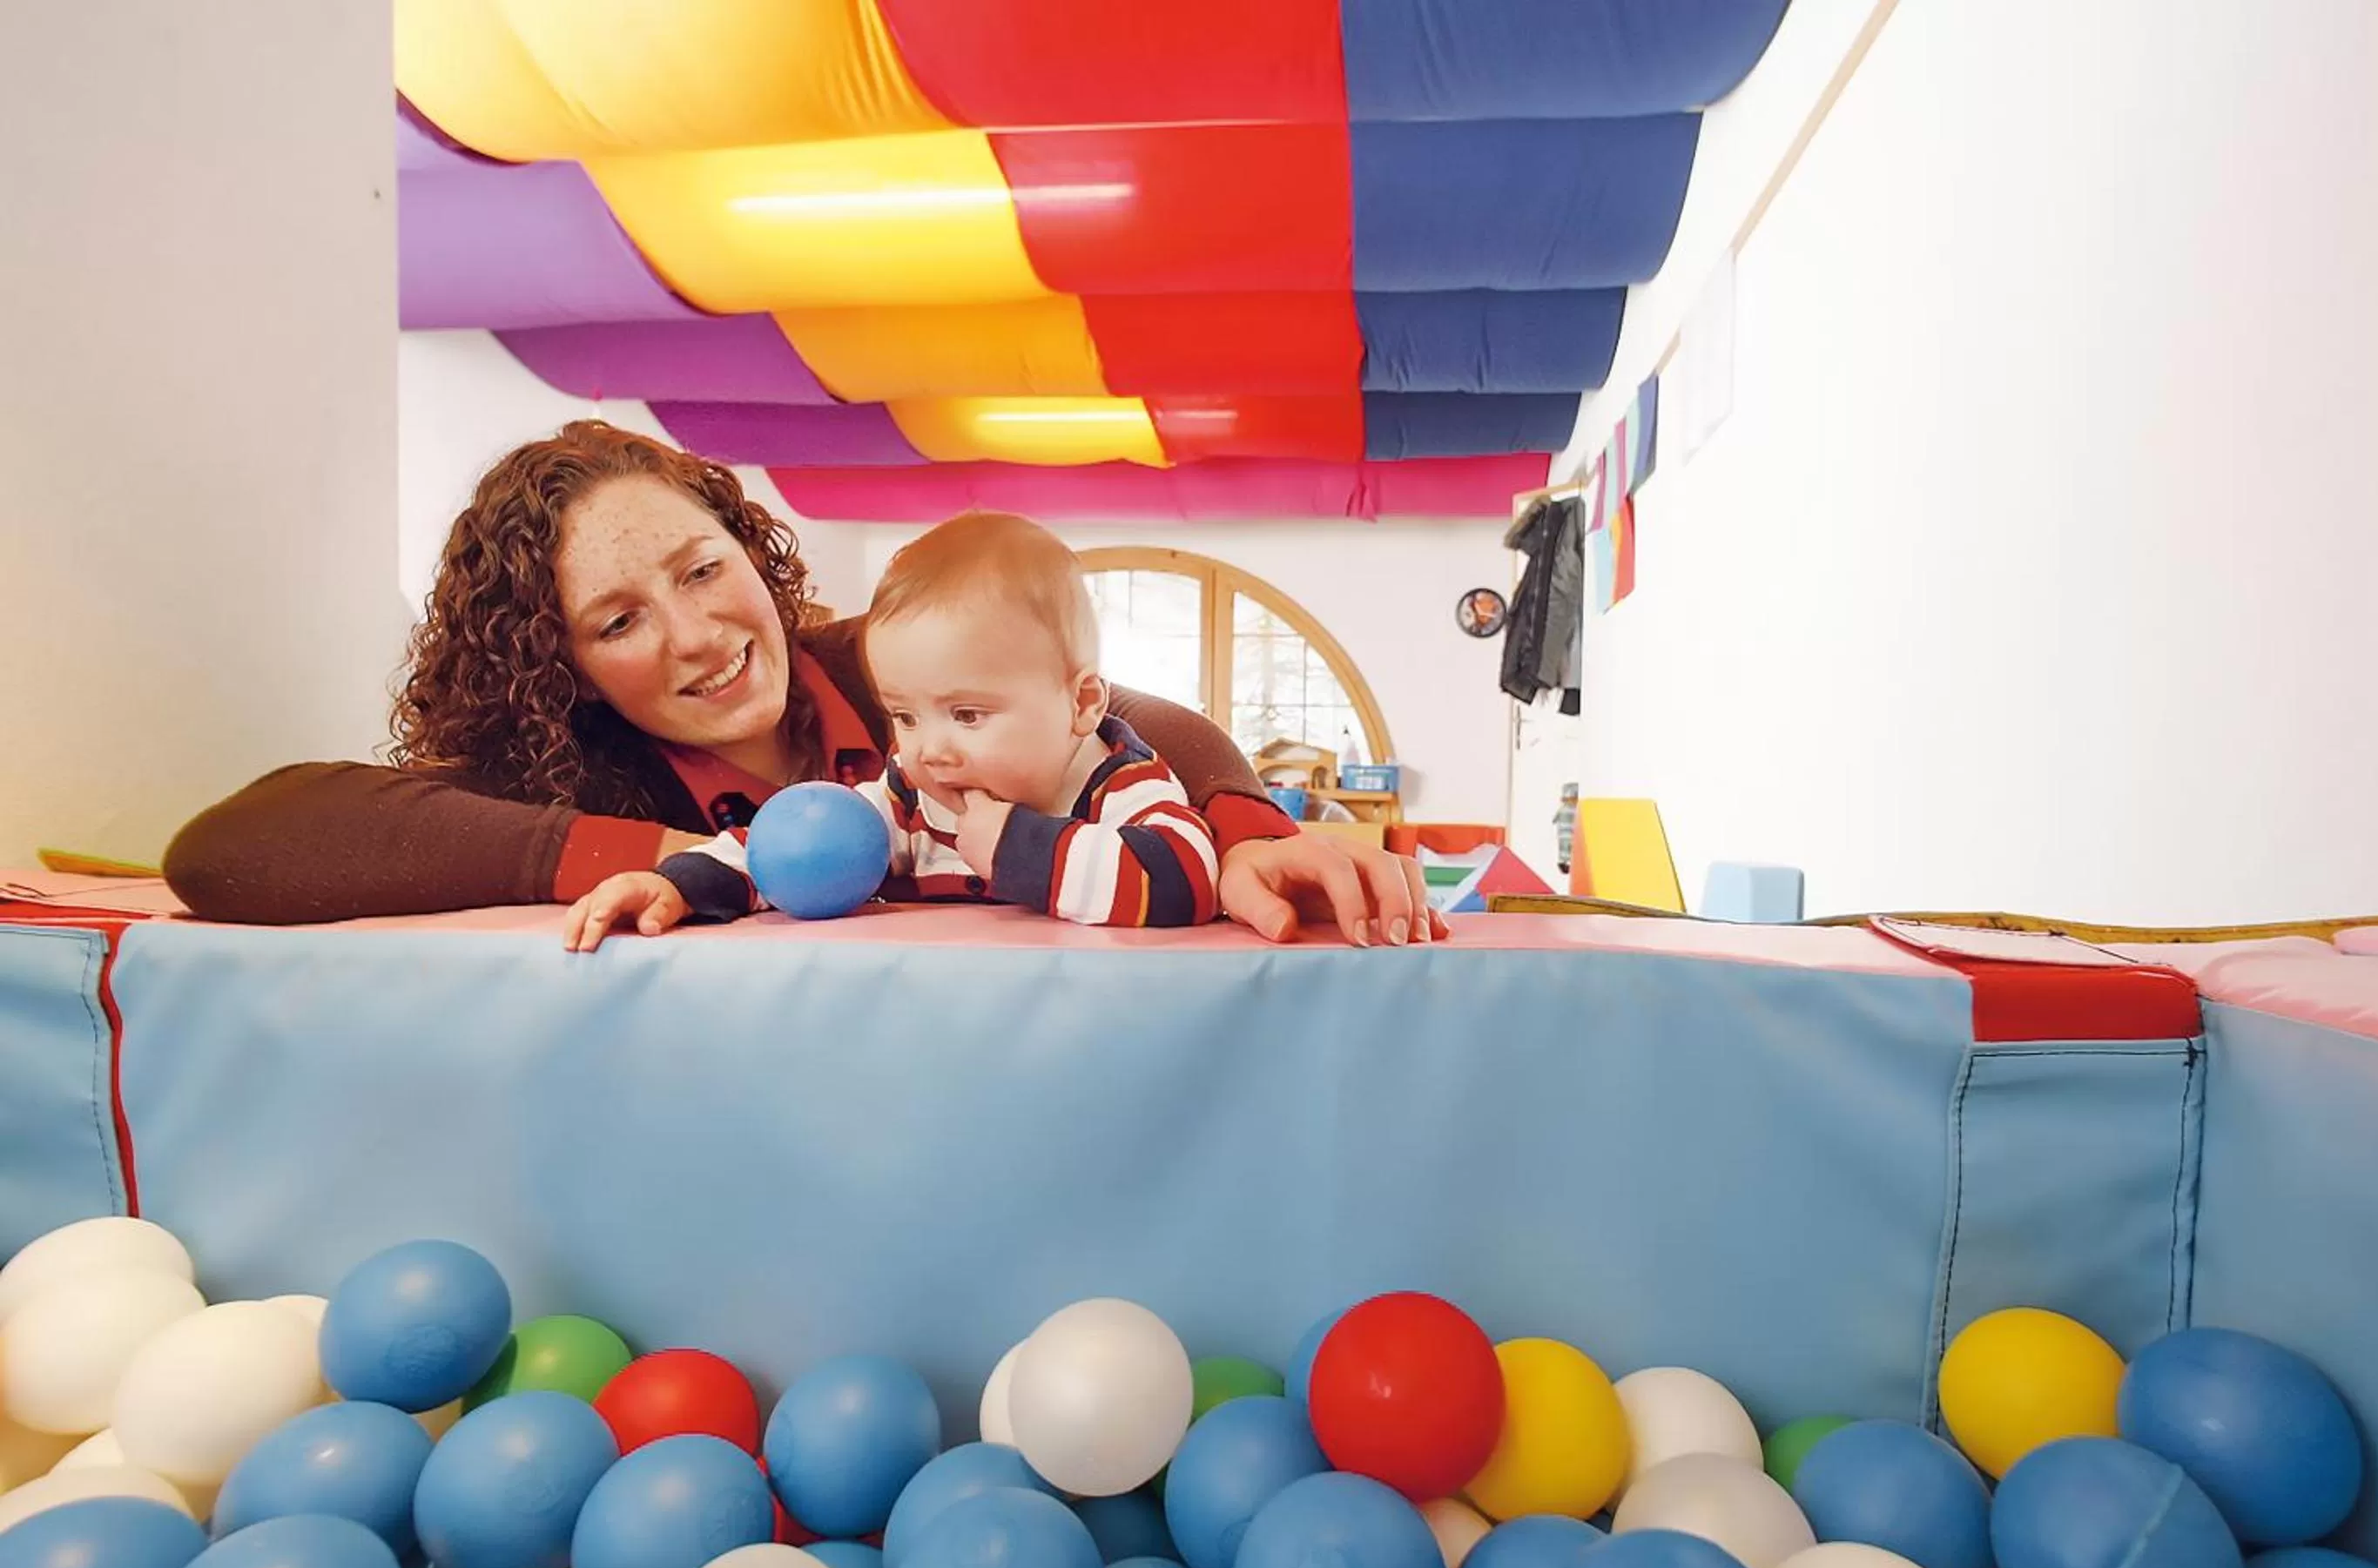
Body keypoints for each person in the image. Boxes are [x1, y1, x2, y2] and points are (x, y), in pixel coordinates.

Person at [161, 421, 1442, 948]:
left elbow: (1127, 716)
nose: (695, 635)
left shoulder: (874, 671)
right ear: (568, 671)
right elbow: (237, 847)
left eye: (703, 569)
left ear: (751, 552)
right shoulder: (580, 772)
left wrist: (1242, 828)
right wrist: (657, 849)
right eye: (617, 620)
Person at [568, 510, 1220, 944]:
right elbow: (797, 850)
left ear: (1081, 704)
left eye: (968, 715)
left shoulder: (1119, 786)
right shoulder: (911, 795)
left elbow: (1190, 877)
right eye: (905, 715)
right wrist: (678, 884)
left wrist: (1022, 848)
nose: (929, 750)